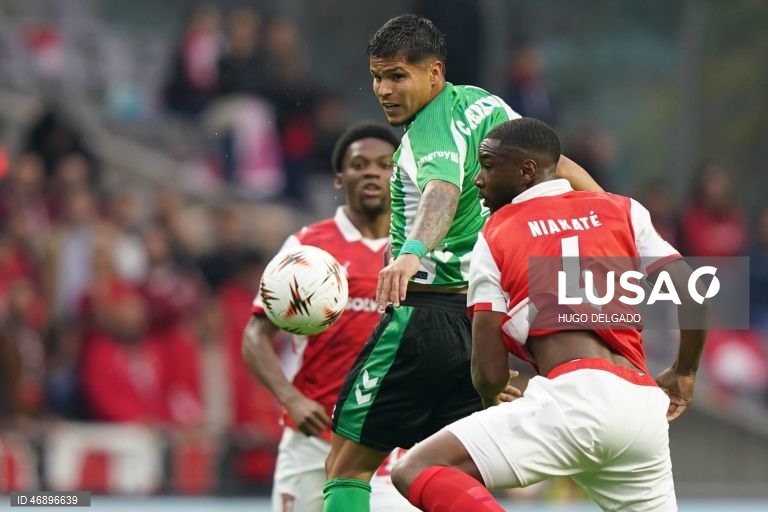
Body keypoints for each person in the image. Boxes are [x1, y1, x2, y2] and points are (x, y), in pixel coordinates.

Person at [323, 14, 602, 511]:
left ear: (434, 73)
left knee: (346, 467)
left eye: (396, 76)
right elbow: (554, 163)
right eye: (377, 77)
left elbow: (443, 190)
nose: (382, 90)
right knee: (436, 468)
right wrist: (606, 214)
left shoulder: (429, 132)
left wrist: (411, 254)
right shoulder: (486, 105)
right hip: (478, 325)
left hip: (423, 320)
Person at [389, 118, 709, 511]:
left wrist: (491, 395)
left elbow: (488, 371)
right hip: (641, 408)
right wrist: (685, 370)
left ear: (525, 171)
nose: (478, 180)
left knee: (415, 469)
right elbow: (693, 292)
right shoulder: (623, 209)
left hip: (571, 401)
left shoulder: (496, 232)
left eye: (488, 166)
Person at [242, 123, 418, 511]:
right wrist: (291, 400)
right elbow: (254, 337)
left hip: (391, 444)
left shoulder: (418, 250)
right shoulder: (306, 247)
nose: (372, 171)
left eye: (384, 164)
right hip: (312, 440)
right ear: (340, 177)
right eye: (359, 164)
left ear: (401, 175)